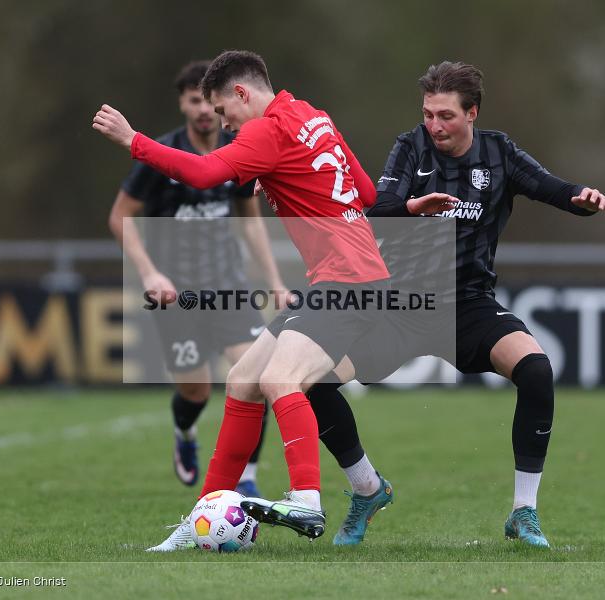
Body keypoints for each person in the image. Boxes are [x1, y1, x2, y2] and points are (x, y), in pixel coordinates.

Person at [93, 50, 391, 550]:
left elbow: (203, 174)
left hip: (350, 283)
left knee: (280, 379)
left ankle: (307, 500)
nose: (224, 123)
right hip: (345, 278)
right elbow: (363, 191)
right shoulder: (314, 116)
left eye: (225, 111)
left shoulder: (265, 131)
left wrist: (133, 141)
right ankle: (204, 516)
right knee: (243, 379)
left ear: (241, 93)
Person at [310, 60, 605, 548]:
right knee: (312, 381)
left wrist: (581, 197)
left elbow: (551, 188)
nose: (434, 125)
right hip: (400, 304)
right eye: (428, 114)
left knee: (536, 370)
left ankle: (524, 512)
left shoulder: (499, 153)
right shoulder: (410, 147)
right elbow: (376, 209)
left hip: (468, 305)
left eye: (446, 115)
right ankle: (367, 489)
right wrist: (412, 207)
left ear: (472, 113)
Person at [108, 61, 290, 496]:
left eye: (210, 101)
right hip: (174, 295)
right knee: (196, 390)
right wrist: (150, 272)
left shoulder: (238, 147)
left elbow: (250, 222)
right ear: (183, 104)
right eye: (194, 100)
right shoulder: (159, 155)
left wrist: (275, 281)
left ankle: (246, 480)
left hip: (229, 287)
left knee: (255, 377)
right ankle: (185, 433)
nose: (205, 110)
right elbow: (120, 218)